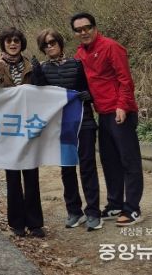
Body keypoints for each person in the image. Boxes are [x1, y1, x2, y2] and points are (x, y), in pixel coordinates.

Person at [71, 12, 144, 227]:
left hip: (120, 111)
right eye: (78, 30)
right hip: (102, 113)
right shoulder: (80, 55)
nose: (83, 32)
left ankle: (133, 208)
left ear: (94, 28)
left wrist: (122, 105)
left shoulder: (111, 47)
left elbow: (125, 79)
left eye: (87, 27)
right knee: (109, 161)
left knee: (129, 160)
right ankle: (115, 204)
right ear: (75, 33)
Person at [32, 28, 102, 231]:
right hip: (60, 126)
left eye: (52, 42)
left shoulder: (78, 64)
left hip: (84, 122)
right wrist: (37, 73)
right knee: (67, 168)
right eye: (45, 44)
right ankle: (74, 211)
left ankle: (93, 212)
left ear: (60, 43)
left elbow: (91, 86)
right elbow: (41, 96)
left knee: (88, 166)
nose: (50, 46)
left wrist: (89, 95)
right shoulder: (43, 68)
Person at [0, 27, 45, 238]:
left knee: (31, 172)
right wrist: (0, 73)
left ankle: (35, 223)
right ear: (3, 43)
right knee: (12, 174)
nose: (12, 44)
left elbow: (40, 90)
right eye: (8, 41)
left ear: (21, 43)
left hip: (29, 123)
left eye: (16, 40)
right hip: (7, 124)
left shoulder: (30, 64)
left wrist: (39, 73)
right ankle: (16, 222)